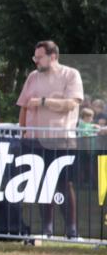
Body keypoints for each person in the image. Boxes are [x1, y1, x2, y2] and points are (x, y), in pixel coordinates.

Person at [16, 40, 84, 238]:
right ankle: (47, 230)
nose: (36, 61)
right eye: (34, 57)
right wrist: (23, 131)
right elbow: (24, 106)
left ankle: (72, 231)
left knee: (64, 183)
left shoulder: (71, 74)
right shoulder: (32, 77)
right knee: (42, 184)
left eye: (39, 57)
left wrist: (43, 102)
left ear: (53, 56)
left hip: (61, 139)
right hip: (35, 139)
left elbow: (71, 103)